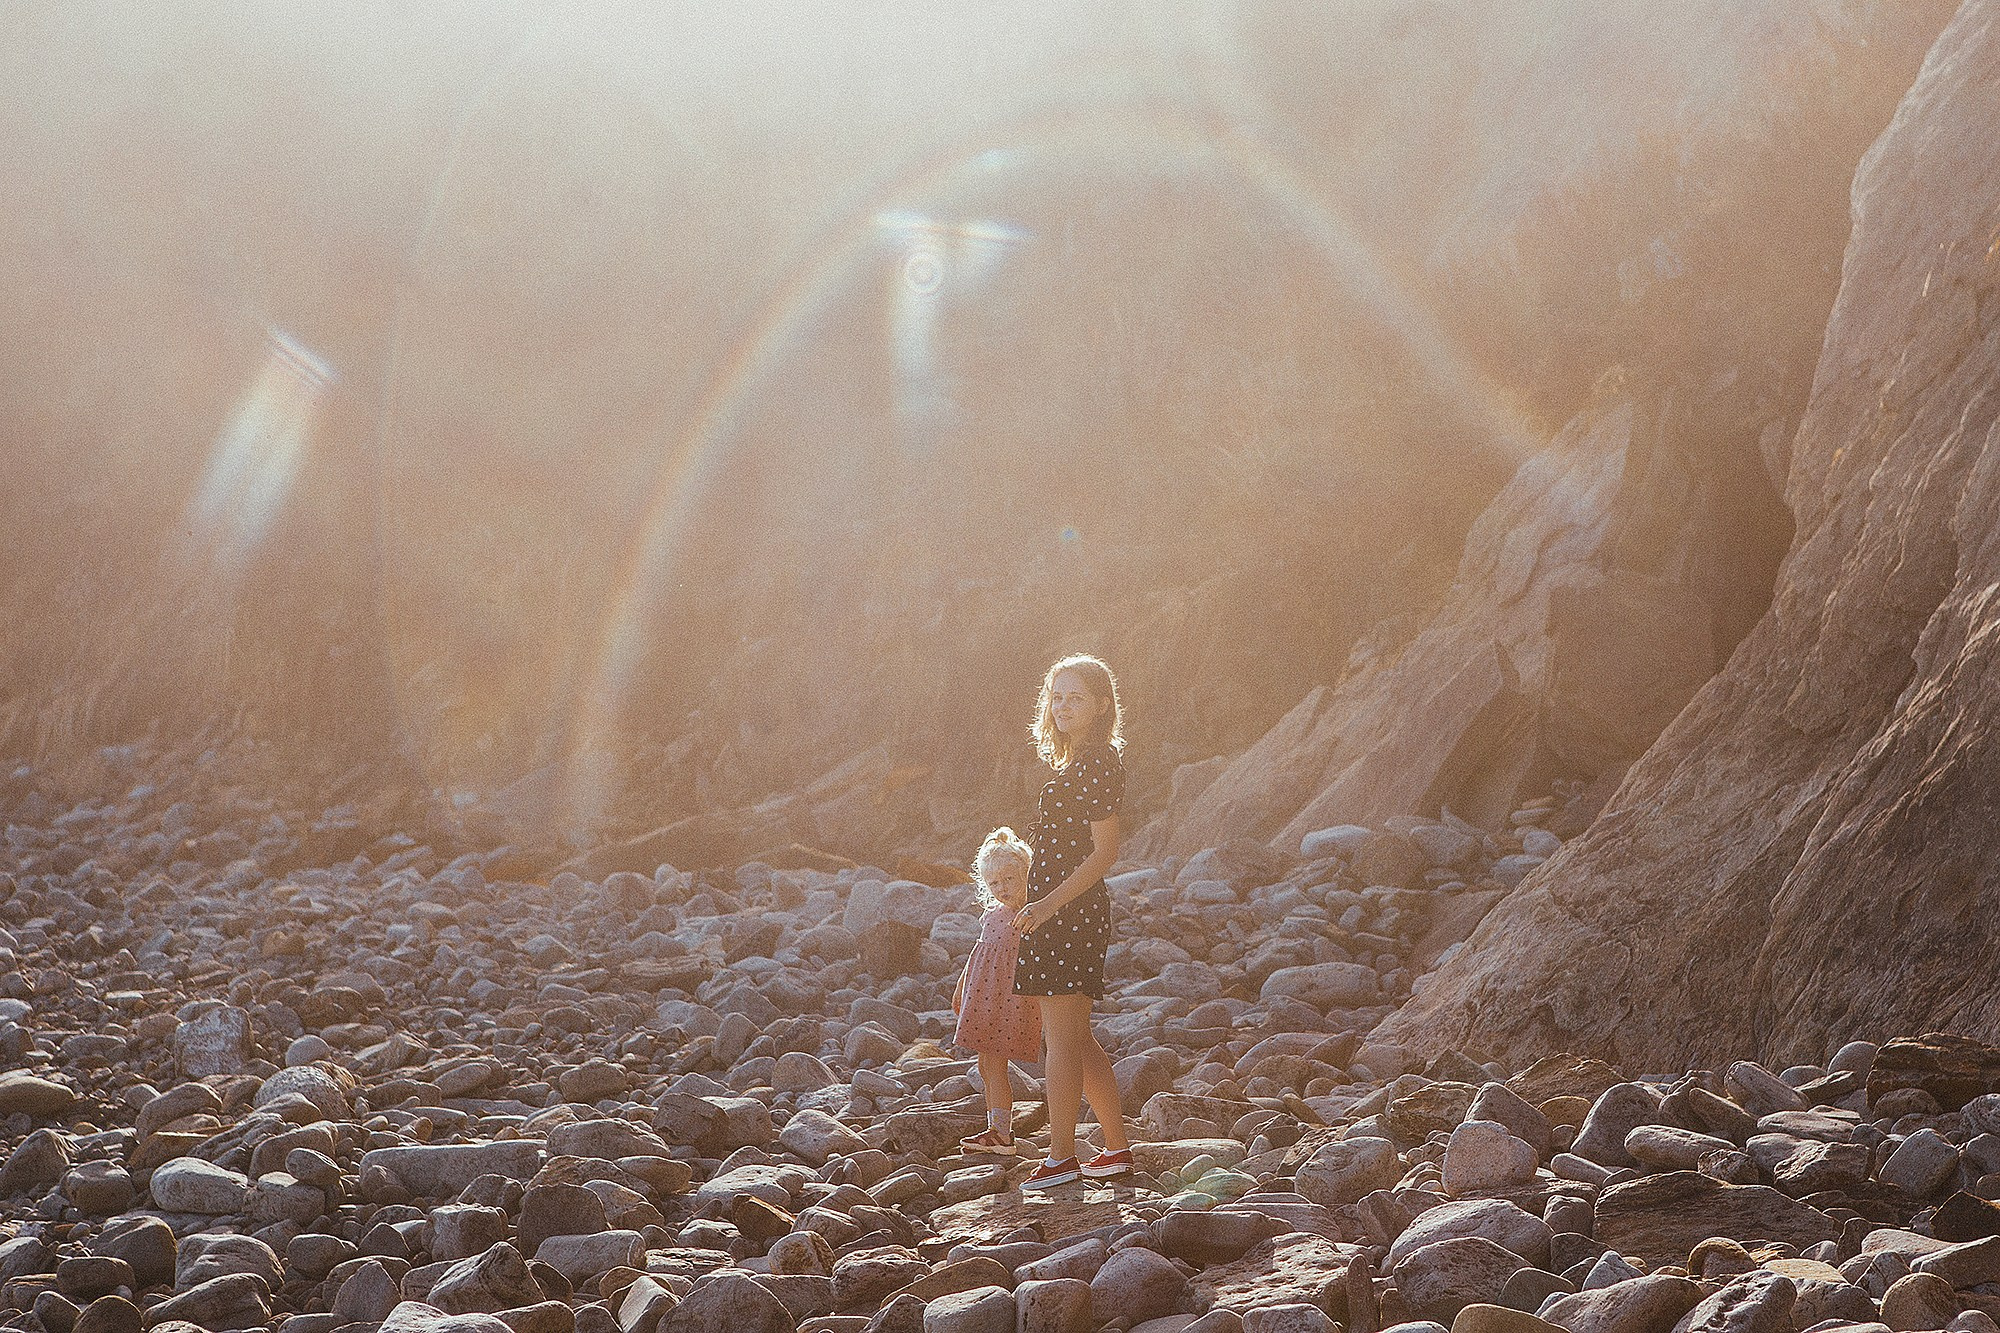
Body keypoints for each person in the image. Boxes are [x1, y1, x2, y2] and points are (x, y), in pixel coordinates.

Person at [1013, 653, 1134, 1188]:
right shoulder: (1076, 763)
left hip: (1070, 913)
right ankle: (1117, 1149)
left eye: (1076, 697)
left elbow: (1104, 853)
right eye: (1057, 696)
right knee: (1078, 1039)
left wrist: (1049, 904)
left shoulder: (1099, 764)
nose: (1063, 706)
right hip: (1054, 910)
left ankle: (1061, 1158)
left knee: (1059, 1040)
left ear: (1101, 705)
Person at [949, 827, 1043, 1156]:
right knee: (986, 1064)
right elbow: (977, 957)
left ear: (1027, 874)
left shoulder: (1032, 915)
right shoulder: (992, 914)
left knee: (995, 1063)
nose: (1002, 889)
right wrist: (962, 987)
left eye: (1010, 880)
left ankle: (1002, 1134)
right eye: (994, 884)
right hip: (982, 997)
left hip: (1009, 1002)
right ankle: (994, 1129)